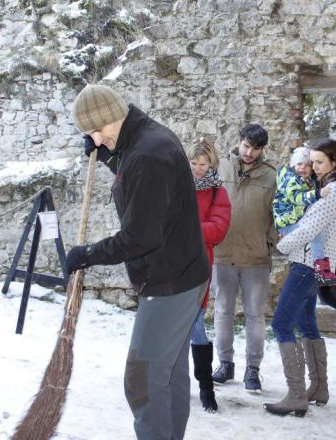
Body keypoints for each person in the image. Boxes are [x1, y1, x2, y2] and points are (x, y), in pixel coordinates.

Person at [65, 84, 209, 440]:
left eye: (97, 130)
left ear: (114, 115)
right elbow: (139, 183)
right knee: (169, 374)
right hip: (182, 274)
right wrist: (108, 157)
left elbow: (140, 237)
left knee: (142, 379)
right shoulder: (144, 140)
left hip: (169, 283)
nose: (95, 139)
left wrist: (88, 255)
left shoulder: (149, 154)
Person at [264, 138, 336, 416]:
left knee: (281, 323)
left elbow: (308, 228)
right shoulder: (327, 186)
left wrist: (279, 246)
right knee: (306, 323)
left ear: (334, 162)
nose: (314, 167)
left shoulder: (335, 189)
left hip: (308, 265)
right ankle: (318, 387)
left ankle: (296, 394)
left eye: (319, 162)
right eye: (311, 162)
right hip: (313, 263)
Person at [211, 124, 277, 393]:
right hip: (222, 254)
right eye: (246, 146)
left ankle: (253, 370)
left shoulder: (271, 176)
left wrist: (268, 243)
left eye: (256, 148)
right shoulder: (219, 167)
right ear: (239, 141)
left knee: (255, 315)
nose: (249, 152)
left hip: (255, 258)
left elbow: (277, 214)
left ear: (262, 149)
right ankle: (225, 364)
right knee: (222, 311)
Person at [187, 138, 231, 413]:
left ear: (211, 164)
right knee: (172, 328)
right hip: (172, 266)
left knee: (195, 325)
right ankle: (173, 383)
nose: (198, 169)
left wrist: (188, 228)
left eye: (203, 164)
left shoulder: (217, 192)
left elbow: (218, 229)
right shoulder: (176, 185)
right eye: (194, 163)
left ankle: (205, 386)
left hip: (199, 266)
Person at [272, 147, 336, 284]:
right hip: (286, 222)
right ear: (293, 165)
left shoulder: (306, 180)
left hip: (293, 220)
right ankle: (321, 271)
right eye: (299, 164)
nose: (303, 168)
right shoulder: (290, 180)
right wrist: (318, 193)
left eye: (307, 165)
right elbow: (297, 198)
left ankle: (320, 269)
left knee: (316, 234)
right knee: (316, 234)